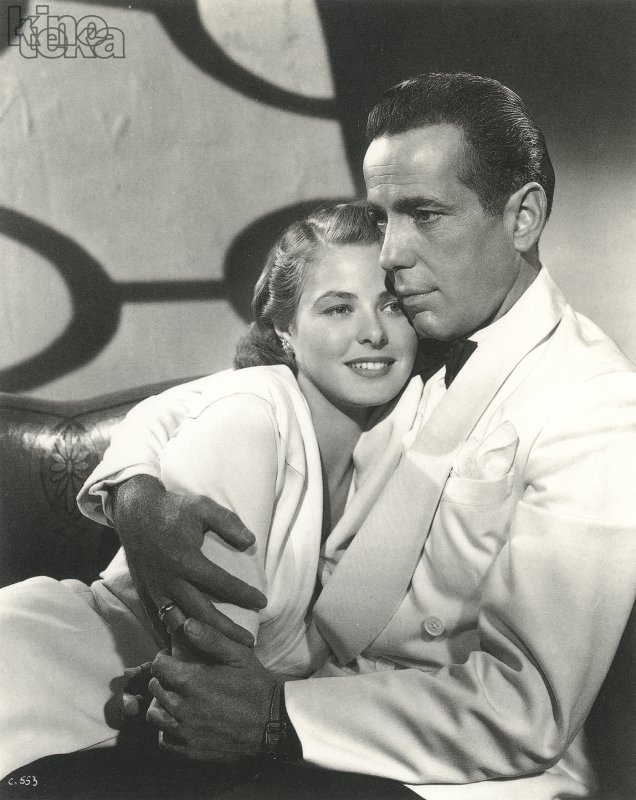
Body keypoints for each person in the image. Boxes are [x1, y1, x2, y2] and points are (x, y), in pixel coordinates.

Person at [83, 72, 636, 800]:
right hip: (303, 704)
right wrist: (133, 492)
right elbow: (205, 400)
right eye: (383, 217)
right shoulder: (412, 337)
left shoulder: (593, 404)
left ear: (523, 217)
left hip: (458, 769)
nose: (392, 255)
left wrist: (275, 719)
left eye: (425, 215)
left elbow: (525, 710)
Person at [0, 203, 421, 778]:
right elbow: (213, 678)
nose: (373, 332)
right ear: (284, 330)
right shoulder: (248, 418)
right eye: (338, 307)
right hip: (48, 674)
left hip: (144, 722)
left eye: (392, 305)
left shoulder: (398, 443)